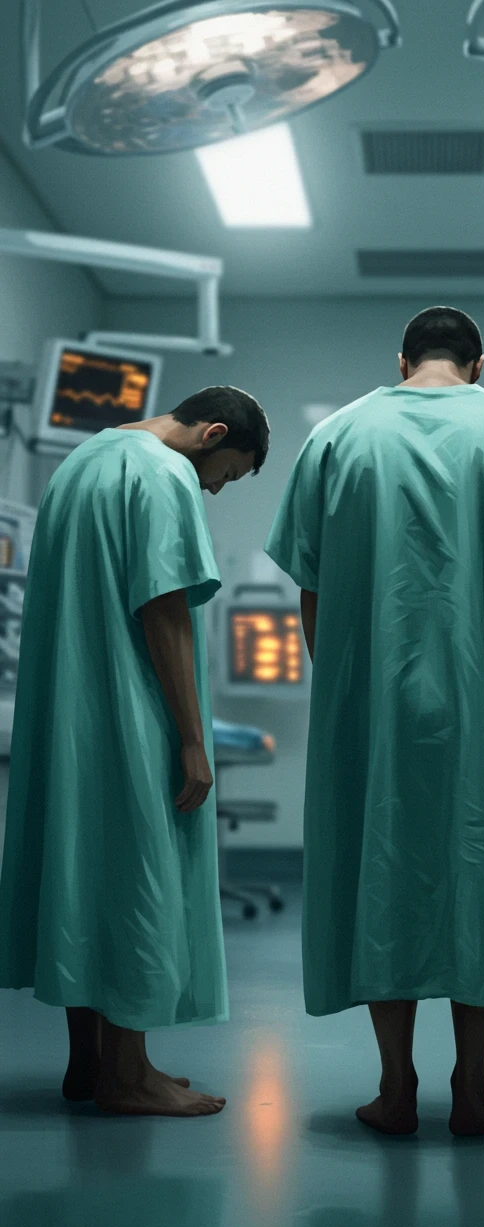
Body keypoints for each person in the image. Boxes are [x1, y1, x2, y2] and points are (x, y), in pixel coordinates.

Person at [265, 307, 484, 1137]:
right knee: (481, 872)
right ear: (479, 363)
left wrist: (346, 685)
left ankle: (395, 1087)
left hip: (371, 703)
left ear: (401, 359)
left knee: (384, 876)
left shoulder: (336, 437)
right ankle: (474, 1090)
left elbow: (312, 585)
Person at [0, 386, 270, 1118]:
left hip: (68, 716)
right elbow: (164, 609)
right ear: (212, 434)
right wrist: (192, 739)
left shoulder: (84, 461)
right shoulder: (163, 472)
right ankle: (128, 1076)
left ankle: (89, 1064)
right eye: (227, 474)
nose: (215, 490)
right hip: (128, 711)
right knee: (136, 879)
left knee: (83, 875)